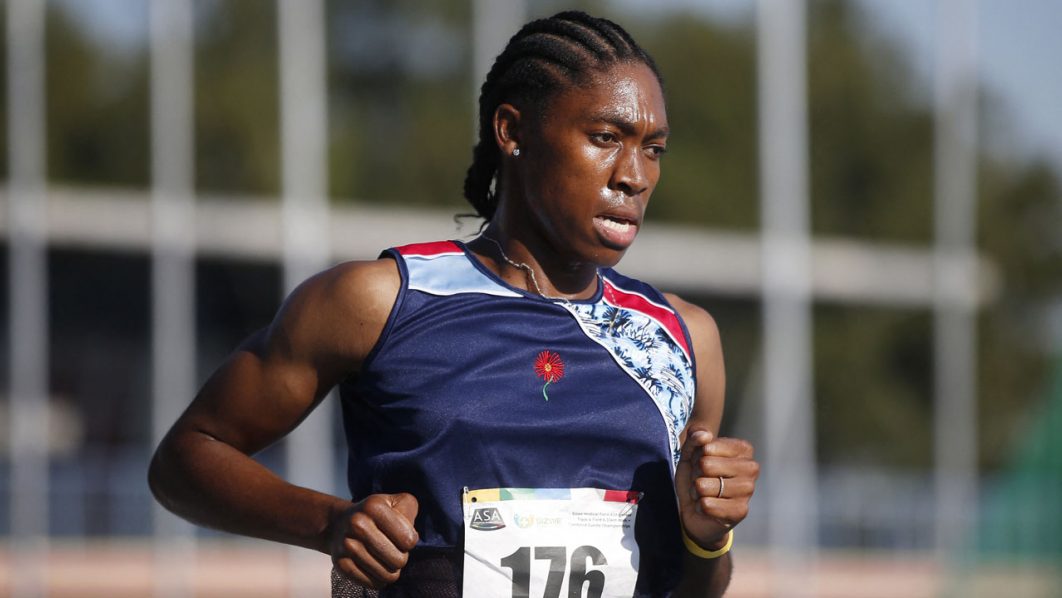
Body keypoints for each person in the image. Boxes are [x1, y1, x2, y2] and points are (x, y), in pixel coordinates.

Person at [149, 10, 759, 598]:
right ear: (512, 131)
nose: (635, 175)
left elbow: (694, 587)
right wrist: (330, 524)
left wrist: (708, 539)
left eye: (654, 149)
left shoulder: (682, 338)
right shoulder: (379, 303)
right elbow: (185, 459)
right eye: (605, 138)